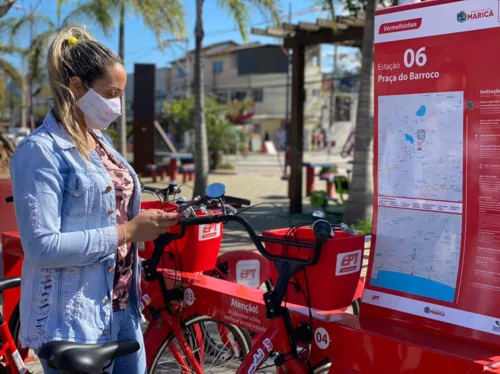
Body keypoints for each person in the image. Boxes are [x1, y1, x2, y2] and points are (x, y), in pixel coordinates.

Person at [10, 27, 179, 374]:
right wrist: (127, 232)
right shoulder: (40, 152)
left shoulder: (101, 143)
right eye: (110, 93)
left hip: (123, 309)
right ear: (76, 86)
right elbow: (42, 246)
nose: (117, 104)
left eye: (121, 94)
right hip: (74, 321)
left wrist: (147, 223)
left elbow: (109, 209)